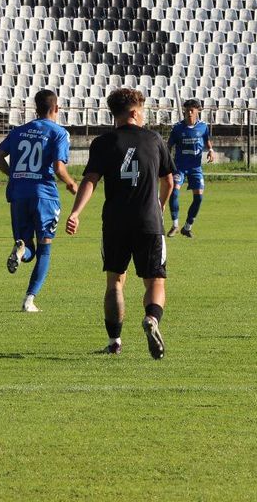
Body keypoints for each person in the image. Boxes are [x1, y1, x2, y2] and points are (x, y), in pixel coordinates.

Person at [67, 88, 175, 358]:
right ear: (134, 112)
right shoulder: (153, 139)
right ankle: (152, 319)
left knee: (115, 282)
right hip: (149, 221)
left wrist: (76, 212)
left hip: (114, 222)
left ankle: (115, 341)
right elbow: (169, 181)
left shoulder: (103, 143)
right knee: (155, 282)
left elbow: (90, 180)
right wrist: (160, 205)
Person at [0, 89, 78, 312]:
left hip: (18, 193)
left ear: (35, 108)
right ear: (56, 109)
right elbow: (59, 168)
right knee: (45, 249)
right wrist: (70, 182)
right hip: (45, 196)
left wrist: (14, 174)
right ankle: (29, 300)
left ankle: (20, 249)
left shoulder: (19, 130)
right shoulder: (59, 133)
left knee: (27, 247)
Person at [167, 98, 215, 237]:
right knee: (174, 192)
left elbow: (207, 140)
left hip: (195, 168)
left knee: (199, 198)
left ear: (197, 111)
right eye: (187, 110)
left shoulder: (203, 127)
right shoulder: (177, 128)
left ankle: (187, 227)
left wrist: (211, 150)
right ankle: (175, 225)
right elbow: (169, 146)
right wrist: (166, 160)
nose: (189, 112)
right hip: (179, 167)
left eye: (192, 110)